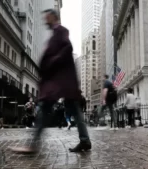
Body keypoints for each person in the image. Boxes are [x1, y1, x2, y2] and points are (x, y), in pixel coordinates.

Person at [9, 9, 91, 153]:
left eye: (47, 18)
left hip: (59, 82)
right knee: (74, 112)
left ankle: (32, 146)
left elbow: (67, 48)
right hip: (62, 82)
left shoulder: (60, 31)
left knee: (44, 109)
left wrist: (51, 63)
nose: (45, 21)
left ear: (53, 17)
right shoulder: (56, 33)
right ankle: (85, 141)